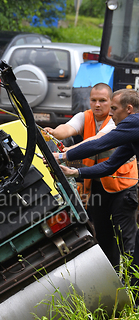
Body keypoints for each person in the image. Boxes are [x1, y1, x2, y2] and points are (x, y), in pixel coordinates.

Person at [55, 88, 139, 268]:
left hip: (122, 190)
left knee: (130, 242)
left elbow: (100, 143)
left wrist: (63, 156)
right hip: (100, 190)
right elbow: (110, 165)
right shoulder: (132, 134)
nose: (110, 113)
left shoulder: (134, 122)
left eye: (114, 108)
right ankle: (129, 288)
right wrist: (76, 173)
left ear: (129, 109)